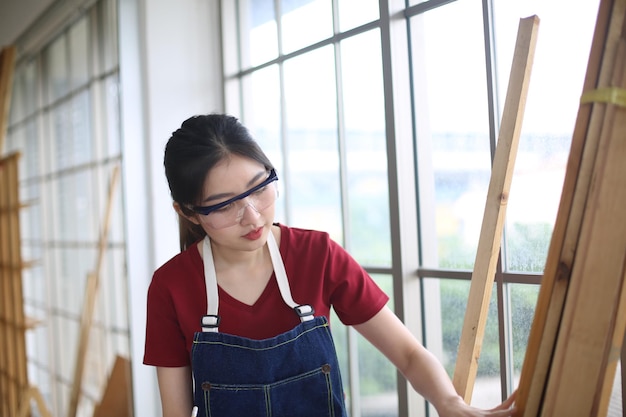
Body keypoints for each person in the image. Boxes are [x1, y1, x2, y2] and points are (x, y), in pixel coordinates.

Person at [143, 114, 517, 417]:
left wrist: (450, 404)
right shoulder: (170, 287)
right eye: (225, 205)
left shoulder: (317, 254)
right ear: (189, 212)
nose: (253, 216)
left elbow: (409, 354)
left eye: (260, 187)